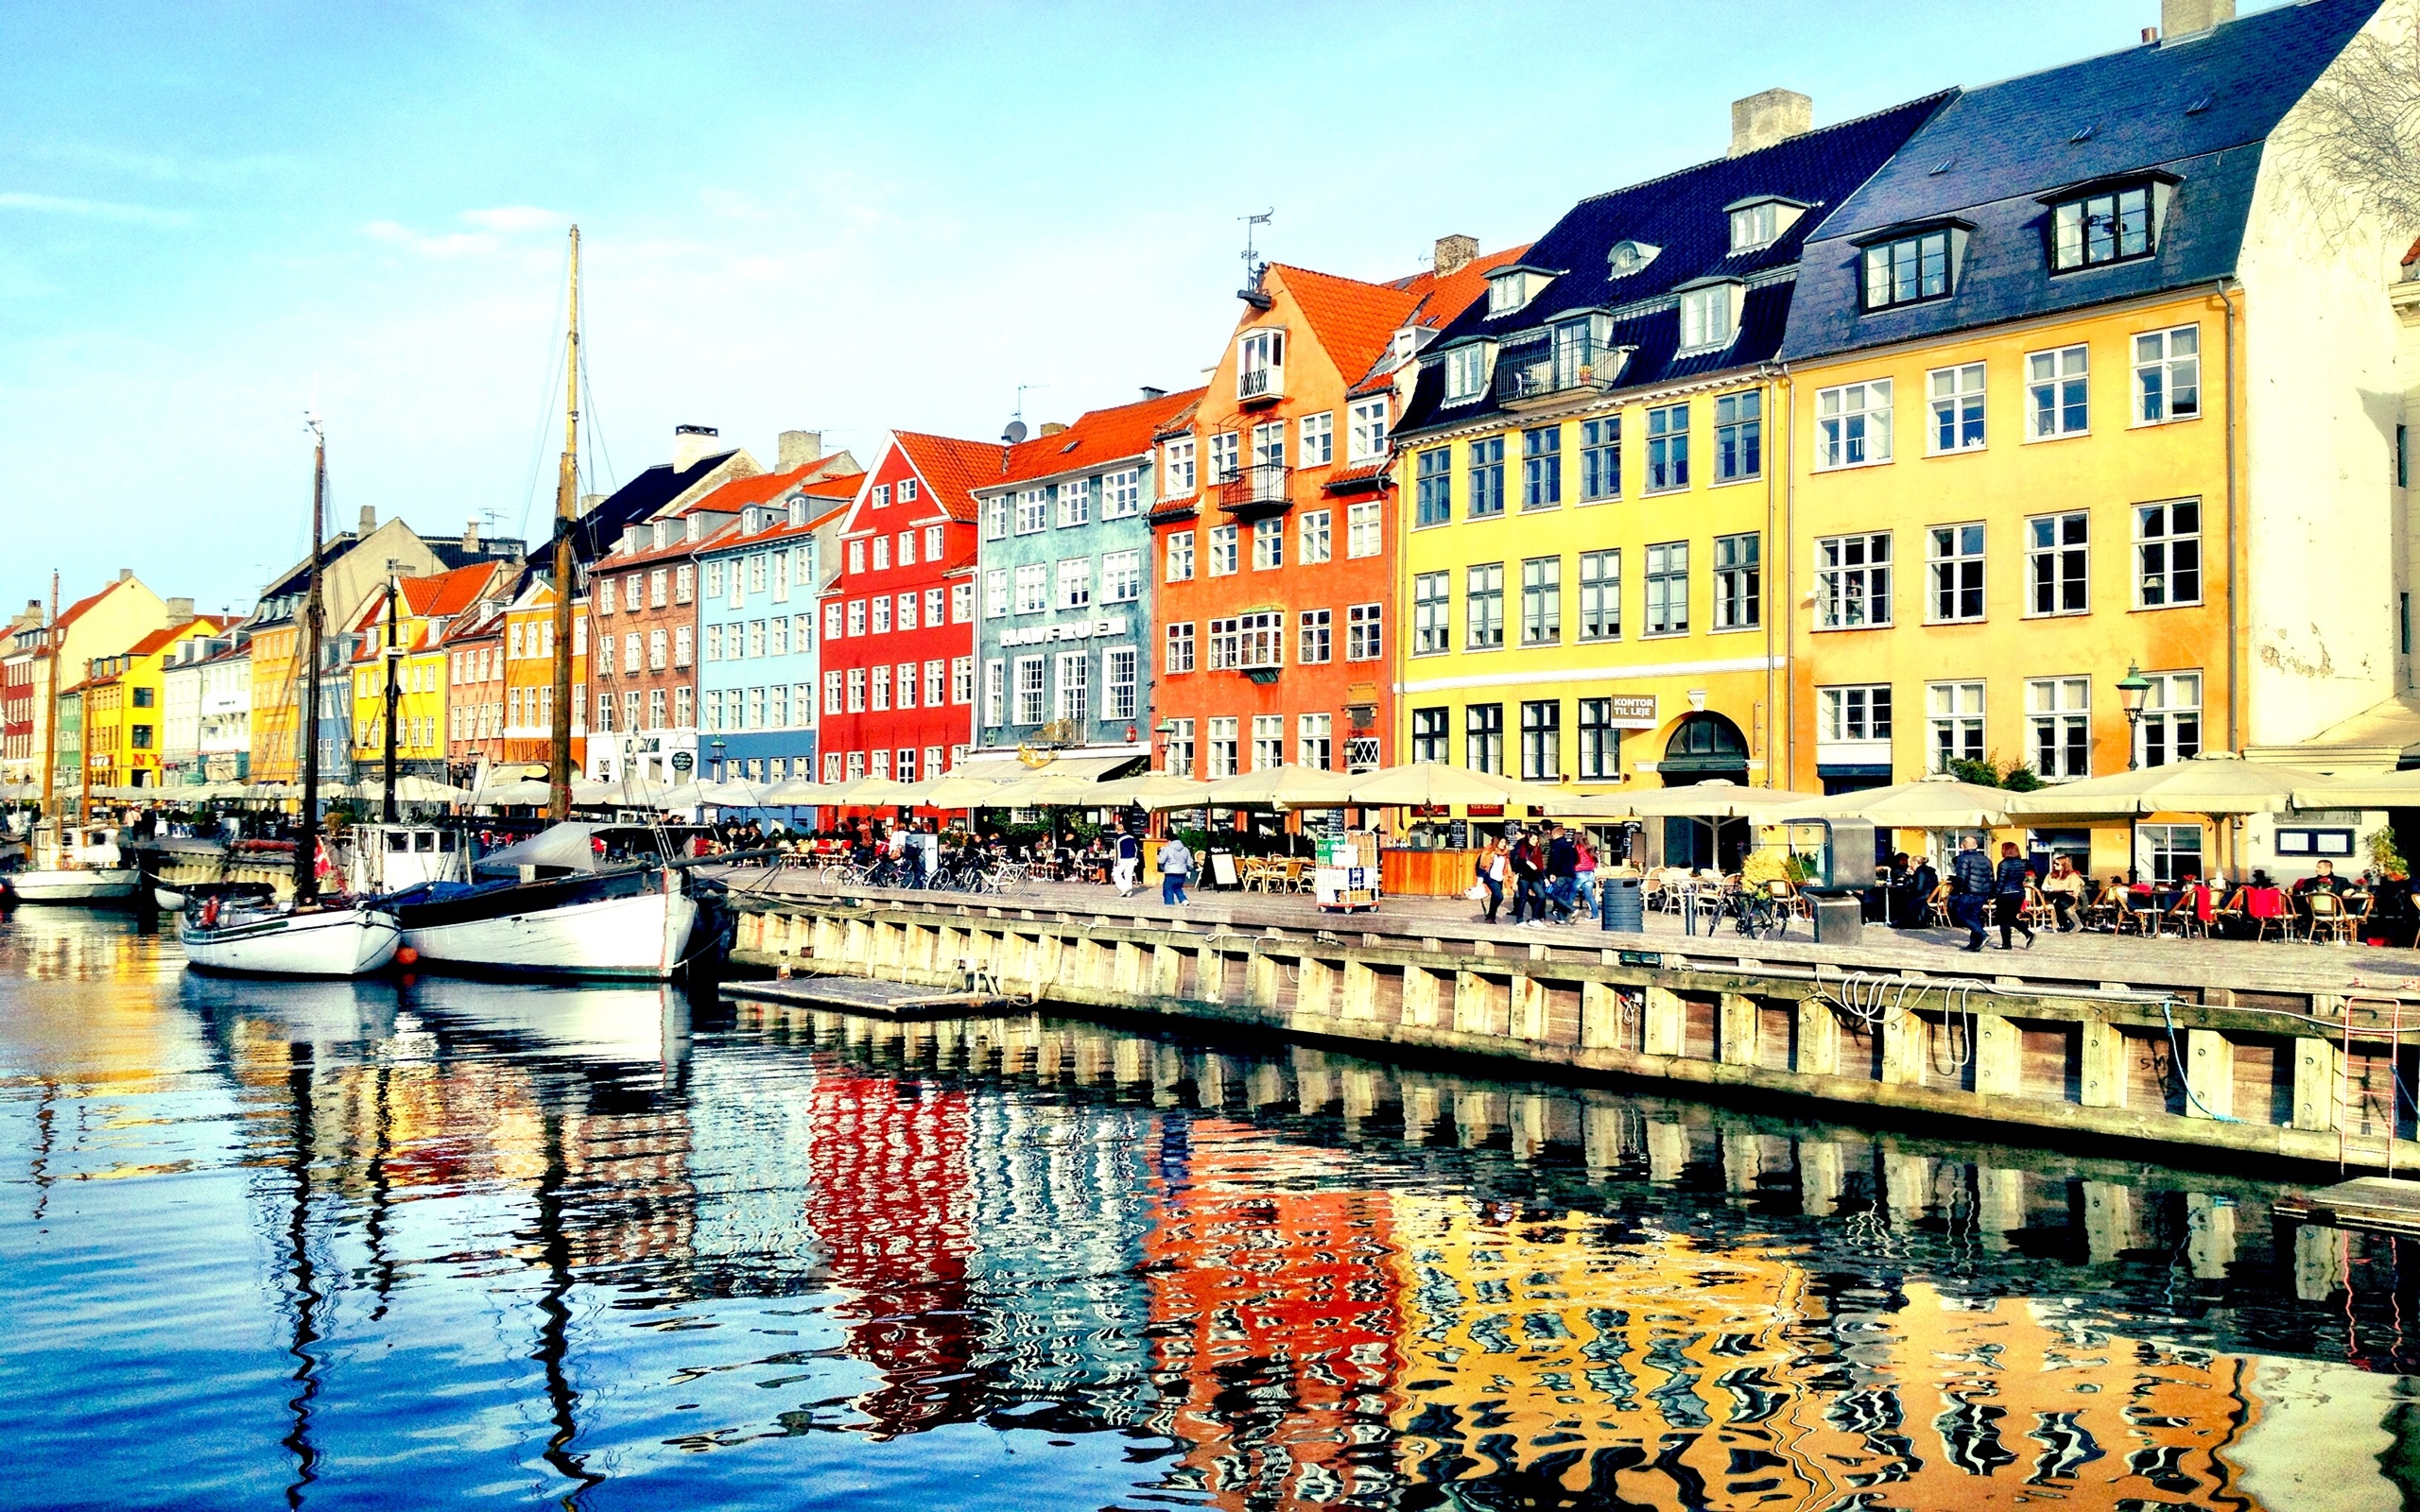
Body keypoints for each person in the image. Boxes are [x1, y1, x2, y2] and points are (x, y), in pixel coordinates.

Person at [1948, 835, 1994, 952]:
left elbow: (1961, 877)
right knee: (1974, 916)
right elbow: (1991, 877)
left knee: (1959, 914)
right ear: (1976, 846)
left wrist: (1957, 890)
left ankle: (1982, 934)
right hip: (1983, 892)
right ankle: (1974, 943)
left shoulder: (1963, 859)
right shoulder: (1986, 859)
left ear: (1962, 846)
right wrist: (1990, 893)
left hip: (1968, 891)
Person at [1990, 841, 2035, 950]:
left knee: (2003, 919)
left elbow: (2001, 881)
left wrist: (1993, 894)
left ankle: (2008, 943)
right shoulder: (2021, 863)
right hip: (2019, 894)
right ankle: (2027, 934)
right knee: (2010, 917)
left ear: (2005, 851)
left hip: (2005, 894)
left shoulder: (2003, 864)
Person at [1544, 823, 1580, 924]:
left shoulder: (1556, 844)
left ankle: (1572, 909)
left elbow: (1555, 860)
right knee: (1562, 895)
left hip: (1560, 874)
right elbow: (1576, 859)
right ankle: (1561, 918)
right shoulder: (1570, 845)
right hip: (1570, 873)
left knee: (1552, 893)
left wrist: (1552, 872)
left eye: (1553, 835)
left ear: (1556, 834)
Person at [1508, 828, 1546, 925]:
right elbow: (1518, 862)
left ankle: (1534, 919)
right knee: (1523, 898)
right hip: (1524, 877)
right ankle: (1519, 920)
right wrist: (1528, 863)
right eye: (1533, 839)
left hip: (1535, 877)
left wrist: (1544, 878)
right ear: (1528, 839)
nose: (1536, 841)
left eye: (1536, 839)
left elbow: (1540, 865)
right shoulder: (1523, 849)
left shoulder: (1537, 849)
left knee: (1541, 896)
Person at [2039, 854, 2086, 932]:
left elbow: (2072, 889)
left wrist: (2057, 889)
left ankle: (2076, 923)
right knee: (2059, 902)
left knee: (2060, 902)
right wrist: (2048, 888)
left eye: (2057, 864)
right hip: (2053, 896)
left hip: (2069, 897)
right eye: (2054, 863)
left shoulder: (2072, 876)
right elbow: (2044, 886)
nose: (2054, 866)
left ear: (2064, 865)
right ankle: (2065, 925)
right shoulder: (2050, 875)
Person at [1475, 837, 1510, 924]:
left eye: (1505, 842)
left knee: (1495, 897)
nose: (1504, 844)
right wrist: (1480, 878)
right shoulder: (1488, 852)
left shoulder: (1505, 854)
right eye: (1501, 842)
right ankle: (1491, 915)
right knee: (1499, 896)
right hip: (1490, 876)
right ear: (1496, 842)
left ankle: (1491, 917)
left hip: (1499, 877)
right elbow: (1481, 865)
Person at [1157, 834, 1192, 905]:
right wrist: (1188, 869)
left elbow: (1161, 860)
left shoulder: (1167, 849)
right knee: (1177, 887)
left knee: (1168, 889)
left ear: (1170, 841)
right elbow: (1190, 862)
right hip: (1182, 872)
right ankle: (1184, 900)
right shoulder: (1185, 849)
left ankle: (1170, 906)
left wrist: (1160, 852)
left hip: (1171, 872)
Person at [1114, 829, 1141, 897]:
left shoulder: (1118, 839)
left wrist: (1116, 861)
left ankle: (1125, 888)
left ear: (1116, 830)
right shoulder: (1131, 837)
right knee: (1128, 874)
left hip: (1123, 858)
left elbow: (1117, 851)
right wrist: (1135, 858)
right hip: (1132, 858)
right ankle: (1129, 892)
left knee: (1116, 874)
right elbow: (1135, 848)